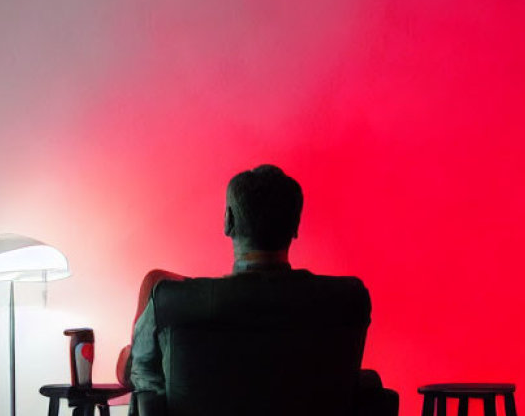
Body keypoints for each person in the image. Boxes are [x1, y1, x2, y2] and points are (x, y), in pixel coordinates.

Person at [129, 164, 374, 394]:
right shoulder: (347, 301)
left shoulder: (173, 300)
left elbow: (142, 378)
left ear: (228, 221)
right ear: (296, 226)